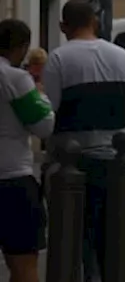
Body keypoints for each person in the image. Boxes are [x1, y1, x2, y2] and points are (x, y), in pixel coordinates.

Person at [42, 0, 125, 282]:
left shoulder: (59, 59)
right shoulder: (123, 57)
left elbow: (49, 109)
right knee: (112, 235)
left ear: (63, 26)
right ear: (95, 22)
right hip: (118, 162)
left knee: (75, 234)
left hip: (74, 162)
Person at [1, 20, 55, 282]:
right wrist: (41, 95)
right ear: (21, 47)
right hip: (12, 180)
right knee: (23, 266)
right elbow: (44, 125)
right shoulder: (14, 78)